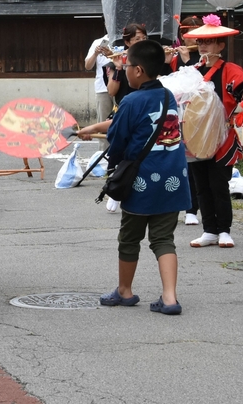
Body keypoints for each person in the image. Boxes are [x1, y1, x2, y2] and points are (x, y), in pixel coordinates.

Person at [77, 39, 190, 315]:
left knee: (130, 237)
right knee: (164, 239)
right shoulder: (167, 96)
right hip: (174, 176)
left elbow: (117, 139)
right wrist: (92, 127)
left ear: (138, 70)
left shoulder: (131, 99)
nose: (123, 70)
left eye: (126, 66)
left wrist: (114, 160)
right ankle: (170, 298)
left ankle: (125, 291)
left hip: (142, 179)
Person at [181, 14, 243, 249]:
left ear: (221, 45)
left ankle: (224, 230)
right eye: (200, 42)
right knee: (201, 185)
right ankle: (209, 229)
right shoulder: (191, 70)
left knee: (219, 185)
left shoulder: (231, 70)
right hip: (197, 136)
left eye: (209, 42)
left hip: (223, 136)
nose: (203, 46)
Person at [167, 15, 203, 226]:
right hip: (178, 114)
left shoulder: (205, 56)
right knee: (180, 162)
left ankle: (193, 209)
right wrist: (165, 63)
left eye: (193, 32)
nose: (190, 37)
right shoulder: (175, 56)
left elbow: (204, 81)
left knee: (197, 164)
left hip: (199, 114)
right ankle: (183, 205)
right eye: (185, 33)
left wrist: (189, 61)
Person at [107, 24, 148, 109]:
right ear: (127, 42)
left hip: (146, 107)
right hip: (124, 108)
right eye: (137, 39)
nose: (142, 42)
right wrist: (119, 68)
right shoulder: (118, 60)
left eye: (144, 38)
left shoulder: (150, 60)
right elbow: (111, 92)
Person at [84, 33, 112, 151]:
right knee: (103, 124)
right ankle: (103, 158)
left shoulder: (124, 40)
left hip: (122, 87)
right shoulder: (99, 41)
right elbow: (88, 66)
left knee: (123, 123)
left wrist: (111, 54)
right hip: (102, 89)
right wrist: (95, 53)